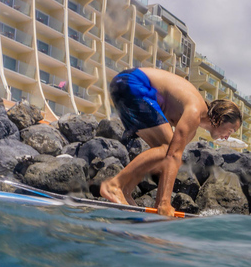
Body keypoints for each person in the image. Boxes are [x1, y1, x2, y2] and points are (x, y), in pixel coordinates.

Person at [100, 67, 242, 216]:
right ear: (222, 118)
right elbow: (172, 155)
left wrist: (159, 207)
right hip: (133, 82)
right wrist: (165, 204)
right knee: (168, 148)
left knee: (162, 152)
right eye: (230, 130)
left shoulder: (193, 128)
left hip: (121, 85)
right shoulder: (195, 111)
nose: (227, 136)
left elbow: (169, 161)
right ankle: (114, 185)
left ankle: (125, 191)